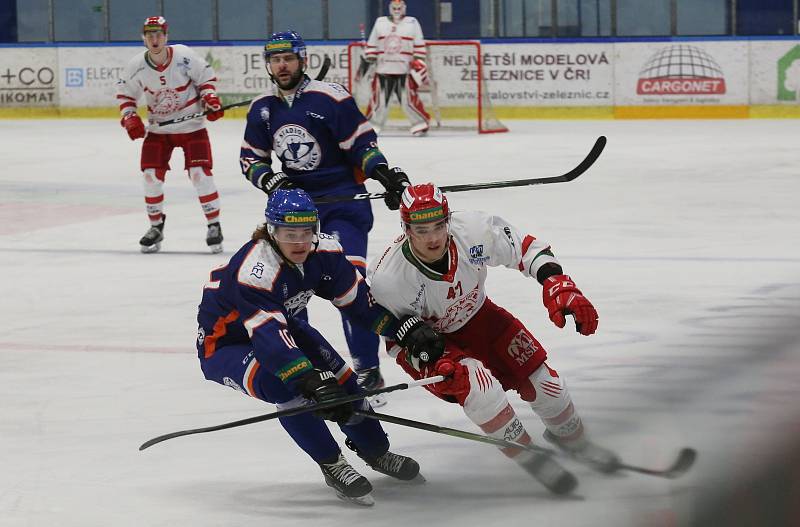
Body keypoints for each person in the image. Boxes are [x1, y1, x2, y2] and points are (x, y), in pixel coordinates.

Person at [366, 183, 621, 495]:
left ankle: (576, 441)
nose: (432, 238)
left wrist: (556, 281)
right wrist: (418, 348)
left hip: (481, 319)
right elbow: (385, 330)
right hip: (431, 344)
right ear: (405, 229)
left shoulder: (473, 230)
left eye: (438, 226)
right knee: (480, 389)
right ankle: (530, 455)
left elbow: (527, 249)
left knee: (549, 388)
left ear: (449, 220)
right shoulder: (388, 277)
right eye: (421, 229)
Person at [196, 189, 436, 506]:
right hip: (227, 344)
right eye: (288, 233)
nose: (299, 241)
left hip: (288, 326)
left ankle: (377, 452)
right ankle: (332, 464)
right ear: (271, 230)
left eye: (306, 232)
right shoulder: (256, 272)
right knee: (286, 386)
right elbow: (268, 338)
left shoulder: (325, 253)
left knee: (346, 386)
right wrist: (309, 381)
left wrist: (402, 329)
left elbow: (360, 306)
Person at [240, 30, 411, 403]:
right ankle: (310, 371)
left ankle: (367, 370)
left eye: (288, 57)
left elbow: (363, 147)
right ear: (268, 64)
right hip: (295, 215)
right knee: (288, 296)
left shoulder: (331, 97)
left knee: (349, 283)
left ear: (302, 59)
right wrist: (270, 179)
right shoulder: (263, 108)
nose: (281, 65)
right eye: (275, 59)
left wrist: (381, 173)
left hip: (344, 206)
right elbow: (250, 158)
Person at [116, 16, 225, 254]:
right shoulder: (136, 66)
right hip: (159, 130)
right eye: (149, 35)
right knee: (150, 176)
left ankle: (213, 225)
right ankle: (156, 227)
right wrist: (130, 118)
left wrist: (210, 99)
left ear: (166, 36)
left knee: (200, 174)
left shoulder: (184, 56)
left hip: (192, 126)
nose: (154, 39)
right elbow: (125, 96)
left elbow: (205, 78)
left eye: (159, 34)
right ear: (143, 38)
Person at [363, 0, 431, 136]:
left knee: (408, 101)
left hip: (404, 70)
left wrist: (419, 62)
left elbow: (419, 45)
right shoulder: (380, 22)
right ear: (389, 8)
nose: (397, 10)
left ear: (404, 8)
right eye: (394, 7)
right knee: (379, 102)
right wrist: (370, 56)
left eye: (400, 7)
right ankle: (372, 126)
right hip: (383, 69)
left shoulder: (412, 23)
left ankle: (420, 124)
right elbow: (372, 44)